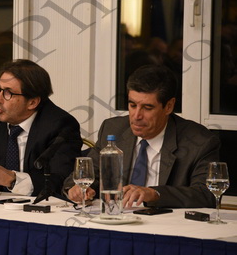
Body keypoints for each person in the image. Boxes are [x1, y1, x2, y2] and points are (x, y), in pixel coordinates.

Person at [64, 64, 220, 208]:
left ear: (169, 106)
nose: (136, 116)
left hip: (166, 224)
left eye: (147, 107)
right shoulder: (113, 130)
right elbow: (87, 175)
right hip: (117, 220)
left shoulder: (199, 142)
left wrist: (154, 194)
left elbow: (207, 195)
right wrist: (78, 188)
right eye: (132, 105)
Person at [0, 59, 82, 196]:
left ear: (32, 102)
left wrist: (11, 179)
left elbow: (61, 181)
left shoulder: (60, 125)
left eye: (7, 93)